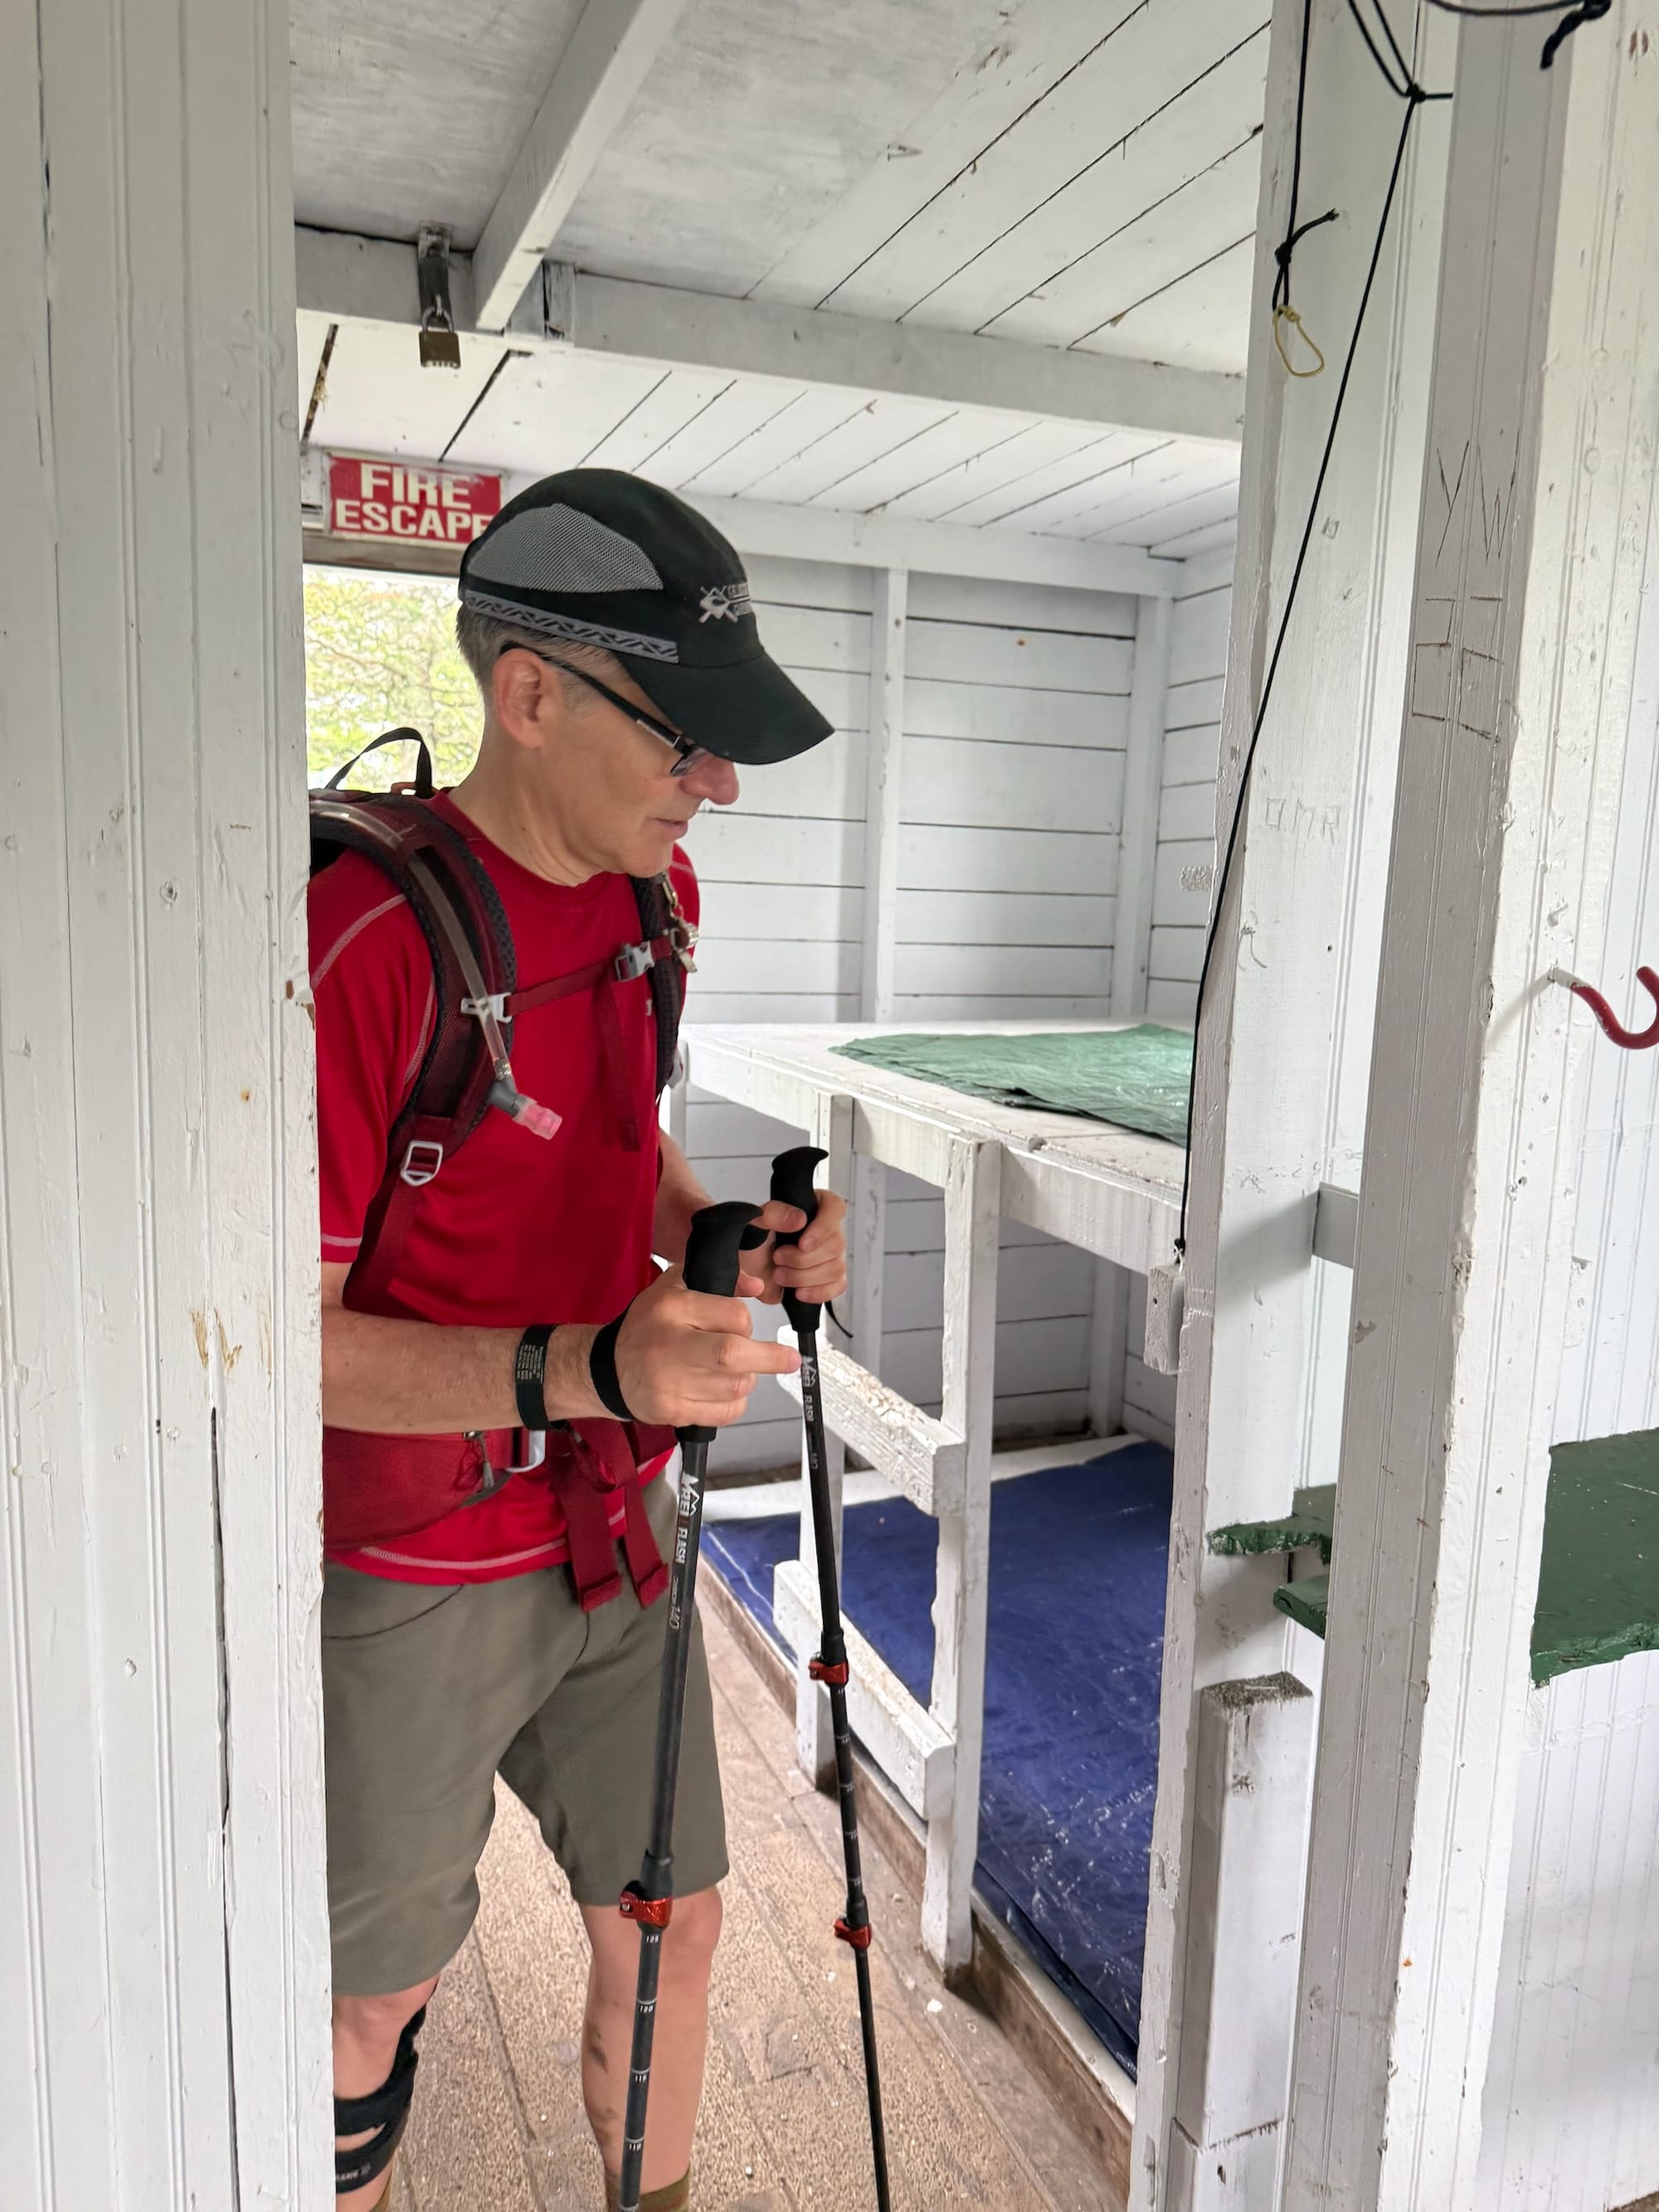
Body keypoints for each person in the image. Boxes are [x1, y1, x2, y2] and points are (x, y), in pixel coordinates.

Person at [309, 470, 849, 2210]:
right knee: (365, 2000)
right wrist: (593, 1366)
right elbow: (274, 1345)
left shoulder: (650, 896)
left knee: (673, 1919)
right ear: (530, 695)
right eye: (683, 734)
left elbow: (614, 1144)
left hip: (609, 1521)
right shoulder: (355, 941)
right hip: (411, 1554)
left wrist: (723, 1232)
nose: (718, 782)